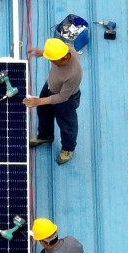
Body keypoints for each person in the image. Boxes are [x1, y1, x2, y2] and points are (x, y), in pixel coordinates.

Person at [24, 37, 83, 165]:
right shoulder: (65, 50)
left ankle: (68, 148)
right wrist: (41, 52)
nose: (50, 61)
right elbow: (55, 50)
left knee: (67, 125)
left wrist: (40, 101)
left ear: (62, 58)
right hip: (51, 87)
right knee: (43, 112)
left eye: (51, 59)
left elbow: (63, 97)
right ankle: (46, 136)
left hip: (66, 100)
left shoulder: (74, 73)